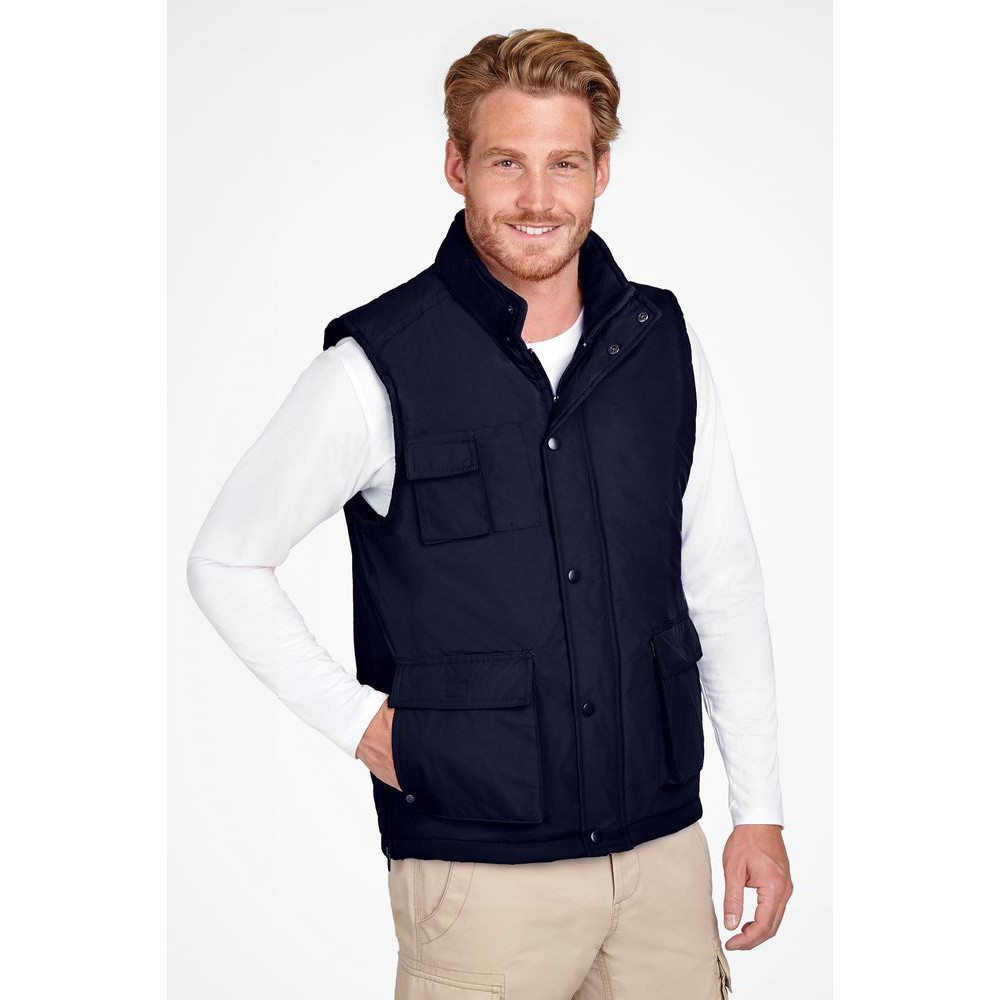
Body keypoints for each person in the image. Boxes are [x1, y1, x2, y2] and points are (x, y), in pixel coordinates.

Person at [187, 26, 792, 999]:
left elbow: (721, 583)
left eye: (565, 164)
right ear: (456, 166)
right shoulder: (375, 367)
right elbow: (224, 561)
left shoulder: (660, 345)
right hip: (477, 876)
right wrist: (365, 726)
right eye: (507, 162)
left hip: (662, 859)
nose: (538, 198)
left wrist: (757, 810)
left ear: (601, 173)